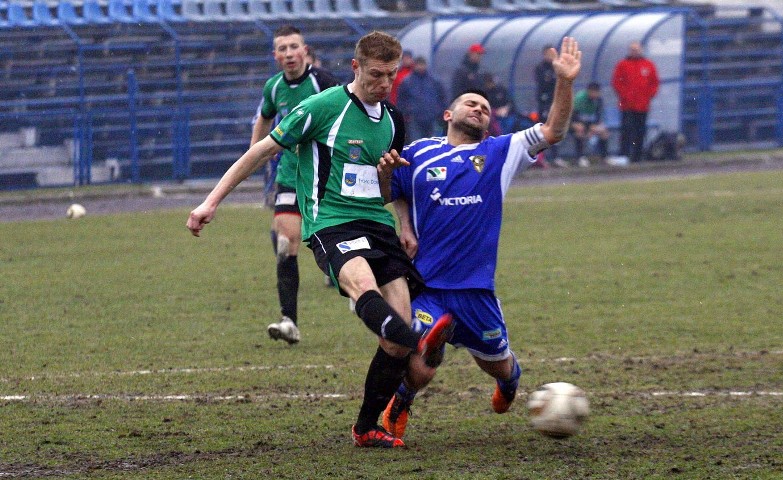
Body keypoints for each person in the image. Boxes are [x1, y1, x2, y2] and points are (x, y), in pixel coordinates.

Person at [187, 31, 453, 449]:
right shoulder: (323, 106)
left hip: (376, 226)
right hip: (331, 224)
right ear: (356, 67)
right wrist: (210, 203)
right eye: (376, 74)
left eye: (391, 75)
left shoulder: (393, 120)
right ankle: (417, 341)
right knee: (363, 288)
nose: (384, 84)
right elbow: (259, 152)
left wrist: (394, 197)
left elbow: (384, 190)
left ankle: (367, 426)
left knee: (395, 332)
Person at [382, 36, 583, 440]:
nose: (479, 109)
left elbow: (554, 130)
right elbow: (392, 191)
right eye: (471, 103)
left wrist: (564, 81)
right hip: (427, 282)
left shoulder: (500, 152)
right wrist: (404, 224)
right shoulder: (418, 152)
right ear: (448, 112)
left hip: (475, 289)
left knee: (498, 363)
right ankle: (400, 403)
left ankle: (509, 381)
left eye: (486, 108)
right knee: (416, 352)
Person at [251, 25, 339, 344]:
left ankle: (361, 292)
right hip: (289, 175)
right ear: (275, 56)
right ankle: (289, 321)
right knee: (286, 244)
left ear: (305, 51)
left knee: (333, 241)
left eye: (293, 47)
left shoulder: (324, 82)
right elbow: (264, 116)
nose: (288, 54)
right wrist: (255, 152)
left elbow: (349, 113)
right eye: (282, 49)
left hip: (327, 175)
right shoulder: (274, 88)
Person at [611, 41, 659, 163]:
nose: (635, 52)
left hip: (643, 105)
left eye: (636, 49)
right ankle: (624, 154)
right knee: (626, 130)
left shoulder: (648, 65)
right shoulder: (622, 65)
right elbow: (617, 82)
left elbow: (654, 83)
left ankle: (637, 155)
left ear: (641, 50)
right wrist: (625, 95)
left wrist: (648, 95)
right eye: (632, 49)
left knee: (640, 131)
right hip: (627, 105)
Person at [396, 56, 446, 143]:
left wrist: (439, 112)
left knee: (433, 143)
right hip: (414, 118)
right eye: (419, 65)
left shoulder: (435, 81)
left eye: (422, 65)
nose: (421, 67)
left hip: (432, 118)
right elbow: (401, 99)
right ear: (415, 65)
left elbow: (442, 97)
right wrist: (407, 112)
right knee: (416, 143)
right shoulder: (407, 81)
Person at [535, 44, 565, 166]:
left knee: (556, 128)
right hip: (545, 103)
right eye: (548, 54)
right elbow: (543, 84)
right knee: (544, 129)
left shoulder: (557, 67)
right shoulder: (540, 68)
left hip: (556, 102)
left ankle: (556, 156)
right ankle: (543, 157)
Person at [570, 81, 610, 166]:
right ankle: (580, 157)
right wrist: (580, 125)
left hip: (590, 124)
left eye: (597, 92)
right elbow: (573, 116)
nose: (595, 94)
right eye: (593, 92)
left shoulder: (598, 100)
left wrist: (594, 127)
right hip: (576, 123)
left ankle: (604, 157)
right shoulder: (580, 98)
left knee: (604, 132)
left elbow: (598, 117)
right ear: (589, 91)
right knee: (579, 129)